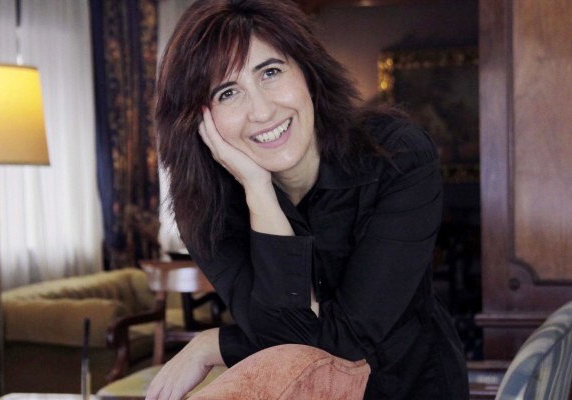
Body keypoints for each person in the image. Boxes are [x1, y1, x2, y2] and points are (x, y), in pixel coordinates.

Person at [148, 0, 470, 399]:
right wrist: (259, 190)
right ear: (198, 120)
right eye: (227, 93)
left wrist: (213, 344)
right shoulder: (206, 212)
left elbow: (345, 344)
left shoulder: (397, 155)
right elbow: (283, 340)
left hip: (414, 385)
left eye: (270, 72)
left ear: (307, 71)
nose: (262, 111)